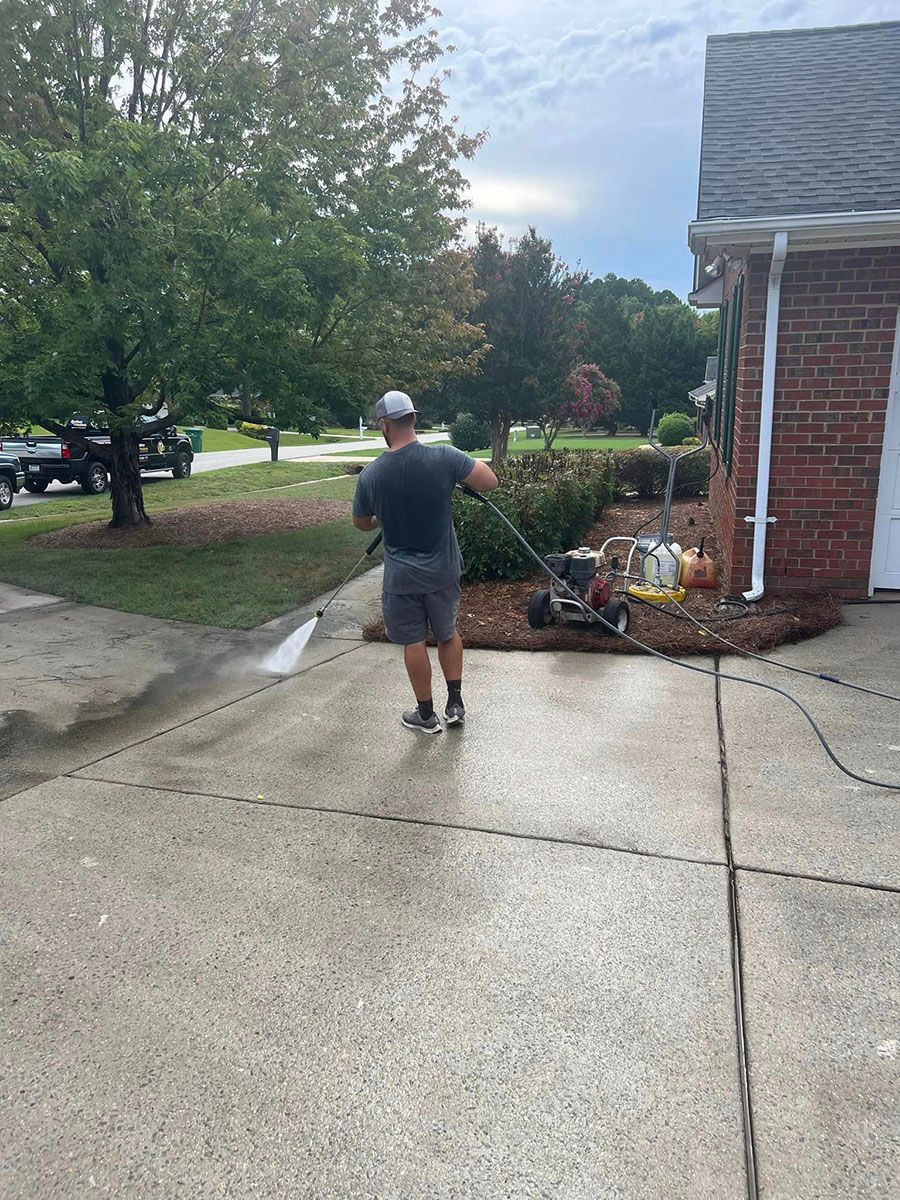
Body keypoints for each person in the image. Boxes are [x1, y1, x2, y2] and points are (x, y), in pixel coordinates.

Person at [352, 390, 498, 734]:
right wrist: (457, 478)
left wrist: (377, 521)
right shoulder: (444, 458)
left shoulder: (371, 476)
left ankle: (426, 715)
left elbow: (361, 522)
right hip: (443, 570)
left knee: (413, 641)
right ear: (414, 419)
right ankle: (456, 705)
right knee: (448, 634)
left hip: (402, 578)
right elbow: (489, 481)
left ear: (384, 425)